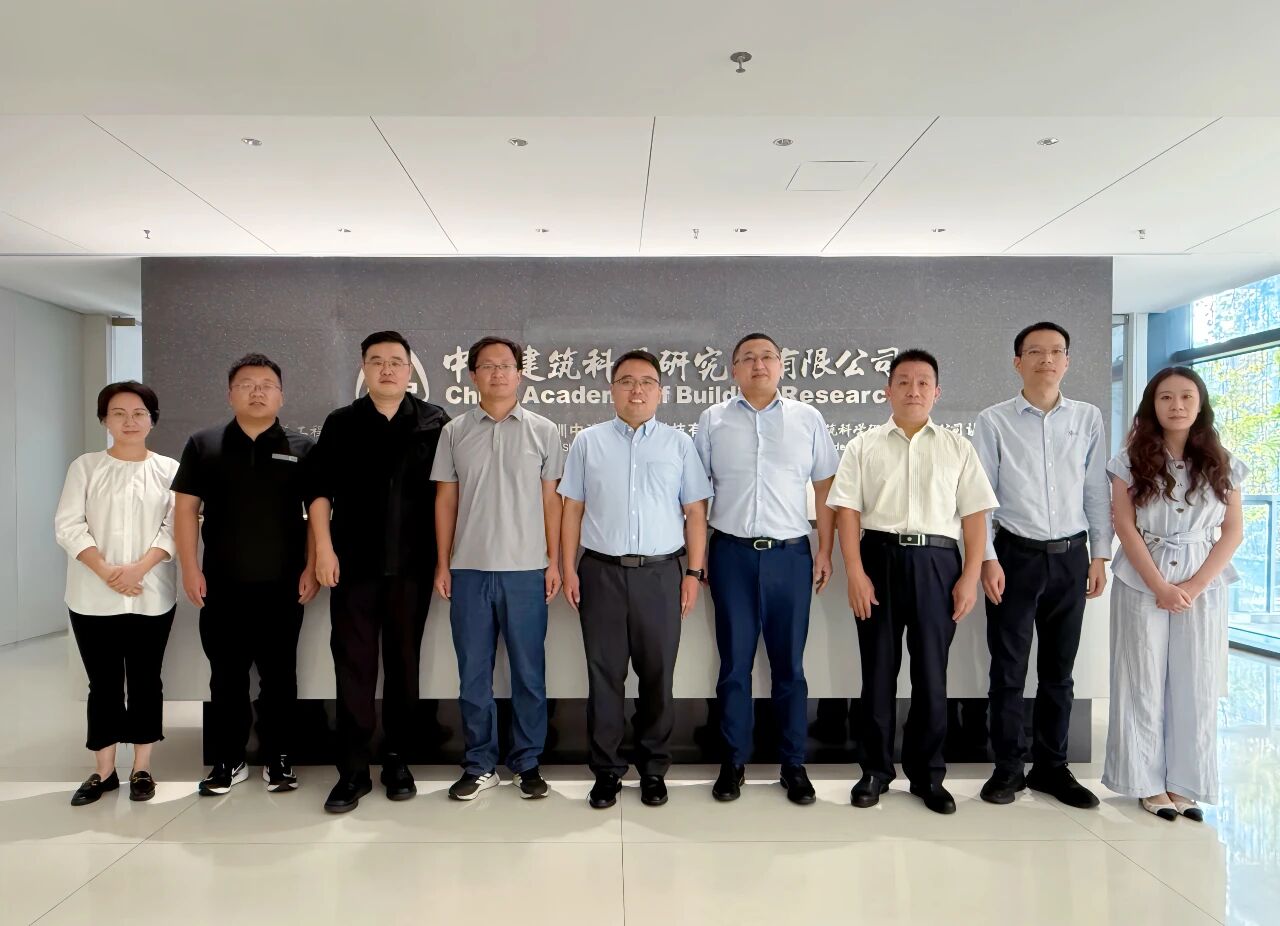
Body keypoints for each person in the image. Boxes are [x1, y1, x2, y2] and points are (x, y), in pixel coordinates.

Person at [828, 349, 997, 815]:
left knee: (931, 675)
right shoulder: (863, 445)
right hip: (878, 559)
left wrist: (969, 577)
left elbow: (975, 518)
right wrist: (855, 571)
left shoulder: (957, 448)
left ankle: (928, 775)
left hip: (938, 564)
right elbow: (847, 511)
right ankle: (875, 771)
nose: (913, 390)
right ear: (888, 390)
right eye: (904, 381)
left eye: (923, 382)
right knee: (878, 673)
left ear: (937, 392)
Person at [560, 349, 711, 809]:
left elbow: (695, 512)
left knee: (657, 675)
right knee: (604, 676)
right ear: (612, 390)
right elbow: (573, 509)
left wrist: (693, 572)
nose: (637, 390)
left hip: (661, 574)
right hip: (600, 572)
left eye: (646, 382)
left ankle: (653, 770)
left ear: (660, 392)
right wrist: (568, 567)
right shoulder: (588, 443)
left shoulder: (679, 444)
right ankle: (606, 771)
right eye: (626, 381)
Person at [694, 332, 839, 805]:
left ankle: (792, 764)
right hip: (730, 554)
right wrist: (698, 556)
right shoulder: (712, 420)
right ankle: (732, 761)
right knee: (734, 664)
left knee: (789, 666)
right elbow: (696, 493)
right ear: (733, 370)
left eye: (767, 357)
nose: (759, 364)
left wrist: (825, 548)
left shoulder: (807, 419)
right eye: (748, 358)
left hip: (790, 556)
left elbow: (826, 487)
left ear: (781, 365)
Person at [307, 330, 449, 813]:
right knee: (354, 665)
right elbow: (319, 491)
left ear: (410, 370)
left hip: (413, 566)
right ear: (364, 369)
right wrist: (323, 550)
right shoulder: (342, 422)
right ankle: (352, 771)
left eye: (395, 361)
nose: (387, 369)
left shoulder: (434, 422)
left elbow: (448, 497)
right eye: (376, 361)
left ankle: (397, 760)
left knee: (405, 665)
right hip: (353, 565)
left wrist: (444, 560)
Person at [972, 322, 1111, 809]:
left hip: (1071, 557)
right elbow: (981, 496)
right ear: (1018, 362)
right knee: (1007, 671)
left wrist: (1100, 553)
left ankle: (1052, 767)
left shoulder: (1087, 417)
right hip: (1014, 556)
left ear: (1067, 361)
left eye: (1056, 351)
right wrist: (987, 558)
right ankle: (1008, 767)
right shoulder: (993, 421)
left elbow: (1095, 490)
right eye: (1035, 352)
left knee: (1059, 671)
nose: (1046, 359)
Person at [173, 353, 317, 798]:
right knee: (226, 676)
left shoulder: (303, 447)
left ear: (281, 395)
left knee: (280, 676)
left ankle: (279, 758)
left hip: (284, 584)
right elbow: (185, 510)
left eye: (267, 385)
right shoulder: (203, 444)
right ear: (230, 393)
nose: (257, 392)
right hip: (221, 584)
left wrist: (312, 566)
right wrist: (190, 568)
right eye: (247, 384)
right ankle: (227, 759)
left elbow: (317, 512)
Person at [1104, 366, 1244, 821]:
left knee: (1196, 680)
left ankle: (1186, 783)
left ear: (1200, 405)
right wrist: (1160, 586)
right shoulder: (1128, 461)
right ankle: (1144, 783)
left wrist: (1195, 585)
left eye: (1186, 396)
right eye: (1166, 397)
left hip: (1204, 580)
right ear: (1153, 405)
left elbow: (1232, 531)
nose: (1177, 405)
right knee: (1140, 679)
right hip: (1142, 577)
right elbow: (1124, 526)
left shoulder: (1224, 462)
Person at [432, 336, 564, 801]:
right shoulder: (454, 432)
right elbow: (445, 500)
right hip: (468, 570)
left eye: (506, 365)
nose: (498, 373)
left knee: (529, 673)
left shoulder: (544, 430)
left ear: (520, 374)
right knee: (473, 675)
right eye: (487, 366)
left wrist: (553, 561)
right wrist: (443, 563)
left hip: (527, 571)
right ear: (472, 375)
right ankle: (480, 763)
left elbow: (552, 500)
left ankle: (527, 763)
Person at [55, 382, 179, 806]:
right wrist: (107, 571)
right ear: (104, 420)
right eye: (119, 413)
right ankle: (103, 771)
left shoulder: (169, 469)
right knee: (103, 683)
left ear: (152, 420)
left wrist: (139, 569)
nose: (130, 421)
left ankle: (142, 768)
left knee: (146, 680)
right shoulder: (85, 467)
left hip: (151, 593)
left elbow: (175, 527)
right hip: (92, 595)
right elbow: (68, 525)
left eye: (139, 413)